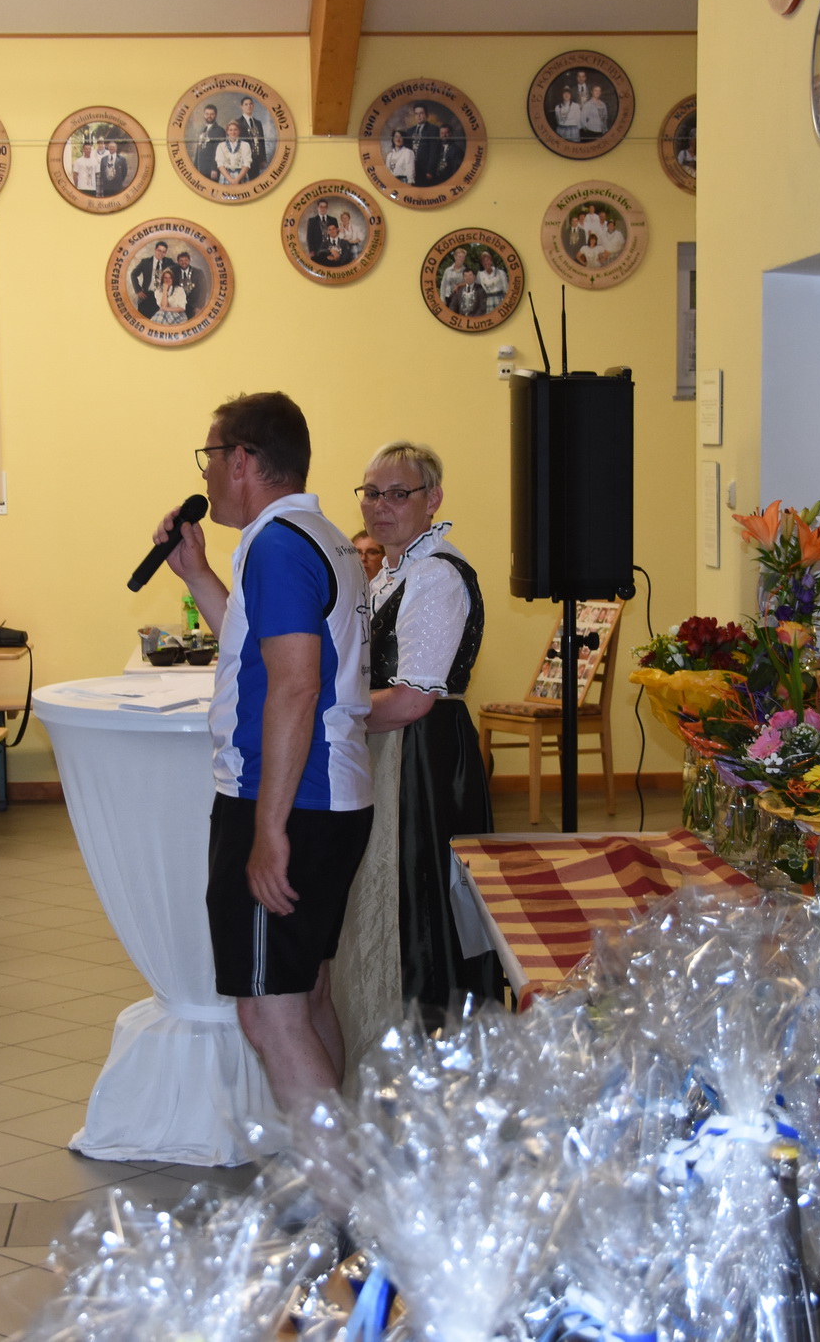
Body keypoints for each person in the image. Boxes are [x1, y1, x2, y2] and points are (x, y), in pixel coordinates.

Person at [158, 391, 373, 1112]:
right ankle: (341, 1164)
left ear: (243, 460)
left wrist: (268, 828)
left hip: (289, 799)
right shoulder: (317, 535)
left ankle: (338, 1180)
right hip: (329, 796)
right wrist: (196, 573)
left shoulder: (277, 546)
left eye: (211, 456)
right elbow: (258, 646)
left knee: (268, 1012)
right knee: (305, 994)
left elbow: (295, 685)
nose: (207, 472)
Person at [351, 441, 498, 1019]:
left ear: (432, 499)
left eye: (397, 494)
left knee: (420, 894)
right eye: (370, 493)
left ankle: (430, 1032)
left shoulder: (435, 574)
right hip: (393, 746)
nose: (379, 506)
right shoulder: (390, 573)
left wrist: (325, 715)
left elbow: (413, 699)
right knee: (389, 891)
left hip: (423, 756)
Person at [132, 241, 173, 316]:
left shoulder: (169, 262)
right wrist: (138, 290)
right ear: (155, 250)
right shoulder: (145, 262)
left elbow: (178, 271)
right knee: (143, 319)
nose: (161, 254)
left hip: (161, 296)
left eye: (163, 252)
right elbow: (133, 274)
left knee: (158, 320)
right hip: (146, 295)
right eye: (159, 250)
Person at [191, 105, 227, 180]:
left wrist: (214, 168)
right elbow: (198, 150)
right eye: (207, 114)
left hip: (211, 171)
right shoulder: (202, 130)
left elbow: (219, 152)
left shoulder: (220, 131)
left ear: (216, 115)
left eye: (212, 114)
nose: (209, 116)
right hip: (200, 168)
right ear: (204, 115)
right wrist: (195, 167)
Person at [215, 120, 253, 186]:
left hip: (241, 176)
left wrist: (237, 180)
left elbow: (247, 164)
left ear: (239, 131)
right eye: (230, 130)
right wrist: (231, 180)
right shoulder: (221, 146)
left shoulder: (245, 145)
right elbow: (220, 165)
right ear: (227, 132)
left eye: (235, 130)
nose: (233, 132)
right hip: (226, 177)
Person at [235, 97, 269, 168]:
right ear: (241, 107)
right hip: (243, 160)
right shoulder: (237, 123)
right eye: (246, 104)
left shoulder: (258, 123)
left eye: (250, 104)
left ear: (253, 106)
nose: (249, 106)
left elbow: (261, 141)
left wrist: (263, 159)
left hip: (257, 160)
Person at [173, 252, 204, 319]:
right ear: (178, 261)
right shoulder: (173, 271)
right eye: (181, 260)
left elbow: (203, 290)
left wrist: (199, 306)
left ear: (189, 261)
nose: (183, 262)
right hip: (177, 305)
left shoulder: (198, 272)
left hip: (193, 306)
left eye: (186, 260)